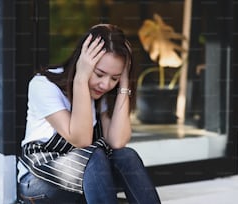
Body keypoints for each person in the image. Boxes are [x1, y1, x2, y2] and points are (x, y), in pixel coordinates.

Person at [17, 24, 161, 204]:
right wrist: (81, 79)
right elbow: (82, 140)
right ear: (82, 62)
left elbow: (117, 141)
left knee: (126, 155)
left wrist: (124, 84)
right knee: (94, 155)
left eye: (114, 78)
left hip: (87, 179)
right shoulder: (44, 85)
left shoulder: (101, 93)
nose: (105, 84)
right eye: (99, 74)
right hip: (39, 182)